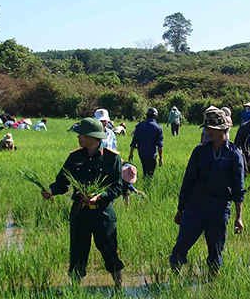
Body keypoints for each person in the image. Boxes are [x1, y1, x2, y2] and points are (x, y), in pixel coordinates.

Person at [41, 118, 125, 288]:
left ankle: (119, 287)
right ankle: (74, 289)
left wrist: (99, 196)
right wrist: (51, 190)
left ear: (93, 137)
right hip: (80, 213)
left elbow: (117, 187)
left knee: (109, 249)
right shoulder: (74, 157)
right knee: (78, 251)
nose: (78, 137)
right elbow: (62, 182)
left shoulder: (111, 158)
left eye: (81, 134)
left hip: (102, 213)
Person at [170, 108, 245, 276]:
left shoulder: (234, 154)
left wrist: (239, 216)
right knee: (181, 246)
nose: (209, 132)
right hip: (195, 206)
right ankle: (174, 282)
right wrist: (180, 209)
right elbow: (187, 182)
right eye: (207, 128)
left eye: (213, 129)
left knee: (215, 250)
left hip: (219, 208)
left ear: (223, 130)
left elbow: (238, 187)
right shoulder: (200, 152)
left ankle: (212, 282)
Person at [129, 107, 164, 178]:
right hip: (152, 154)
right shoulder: (158, 128)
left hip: (141, 153)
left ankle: (145, 184)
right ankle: (147, 187)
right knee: (150, 174)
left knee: (145, 170)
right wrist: (161, 158)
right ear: (156, 116)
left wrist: (131, 153)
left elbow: (134, 141)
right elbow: (160, 145)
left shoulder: (139, 125)